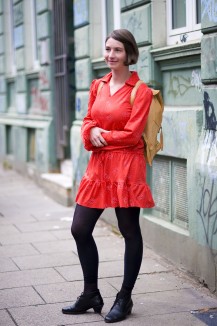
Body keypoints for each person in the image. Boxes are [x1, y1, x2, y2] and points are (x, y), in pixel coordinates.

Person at [62, 28, 155, 323]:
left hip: (127, 166)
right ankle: (91, 293)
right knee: (79, 227)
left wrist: (102, 134)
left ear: (129, 54)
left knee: (129, 230)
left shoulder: (140, 91)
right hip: (99, 165)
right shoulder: (98, 85)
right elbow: (88, 120)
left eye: (117, 50)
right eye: (107, 49)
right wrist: (91, 131)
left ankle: (124, 297)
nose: (110, 55)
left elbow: (133, 135)